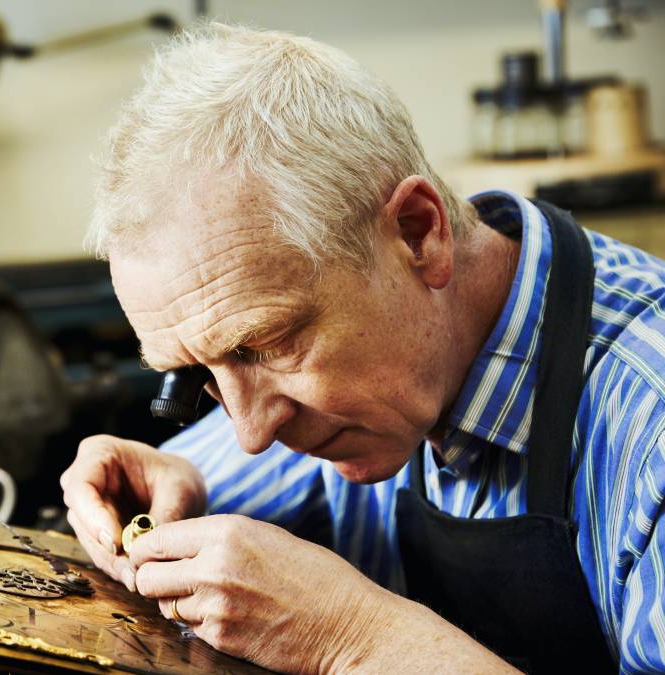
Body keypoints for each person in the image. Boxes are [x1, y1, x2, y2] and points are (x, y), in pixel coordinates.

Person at [60, 23, 665, 674]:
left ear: (418, 234)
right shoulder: (369, 381)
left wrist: (353, 635)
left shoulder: (649, 417)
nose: (251, 433)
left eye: (264, 346)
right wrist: (150, 491)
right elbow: (168, 493)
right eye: (199, 374)